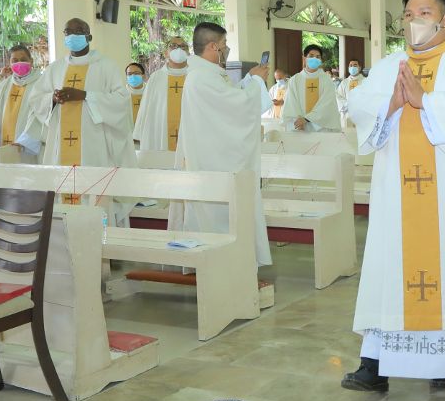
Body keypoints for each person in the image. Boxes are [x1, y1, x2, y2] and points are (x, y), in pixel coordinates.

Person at [341, 0, 445, 392]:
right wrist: (392, 104)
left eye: (426, 13)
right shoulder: (388, 65)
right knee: (386, 265)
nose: (416, 21)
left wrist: (425, 100)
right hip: (397, 193)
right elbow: (359, 107)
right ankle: (374, 362)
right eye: (409, 15)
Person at [175, 22, 272, 266]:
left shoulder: (206, 74)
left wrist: (249, 80)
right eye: (225, 45)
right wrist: (258, 84)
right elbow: (236, 108)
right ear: (212, 46)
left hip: (213, 157)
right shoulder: (201, 77)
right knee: (218, 219)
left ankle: (227, 262)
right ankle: (225, 264)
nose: (227, 49)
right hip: (213, 162)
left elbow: (230, 100)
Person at [26, 18, 136, 208]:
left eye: (78, 31)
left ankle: (96, 231)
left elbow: (121, 99)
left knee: (92, 192)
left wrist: (86, 95)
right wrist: (52, 98)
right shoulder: (56, 68)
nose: (72, 36)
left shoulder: (106, 65)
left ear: (89, 36)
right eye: (68, 32)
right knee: (62, 189)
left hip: (93, 144)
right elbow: (36, 98)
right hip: (61, 144)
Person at [0, 44, 43, 156]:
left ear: (31, 61)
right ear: (10, 63)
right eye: (15, 60)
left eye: (23, 60)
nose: (19, 63)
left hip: (29, 150)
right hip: (3, 150)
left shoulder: (41, 85)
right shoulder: (2, 87)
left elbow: (41, 117)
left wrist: (24, 142)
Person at [132, 38, 190, 152]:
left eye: (183, 46)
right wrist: (138, 133)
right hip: (160, 137)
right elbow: (145, 108)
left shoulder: (195, 76)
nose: (178, 49)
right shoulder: (156, 77)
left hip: (190, 136)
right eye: (173, 46)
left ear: (188, 52)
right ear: (166, 52)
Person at [281, 45, 339, 132]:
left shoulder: (327, 80)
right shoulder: (295, 80)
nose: (314, 59)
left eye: (318, 57)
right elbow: (291, 103)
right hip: (300, 126)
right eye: (311, 56)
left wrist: (307, 119)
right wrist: (299, 120)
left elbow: (327, 104)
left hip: (321, 127)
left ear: (320, 60)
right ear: (304, 58)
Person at [336, 59, 365, 129]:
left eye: (355, 65)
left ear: (359, 68)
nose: (352, 67)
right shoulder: (344, 83)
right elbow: (338, 96)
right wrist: (347, 105)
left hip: (361, 114)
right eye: (350, 65)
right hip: (347, 114)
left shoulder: (365, 81)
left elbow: (368, 97)